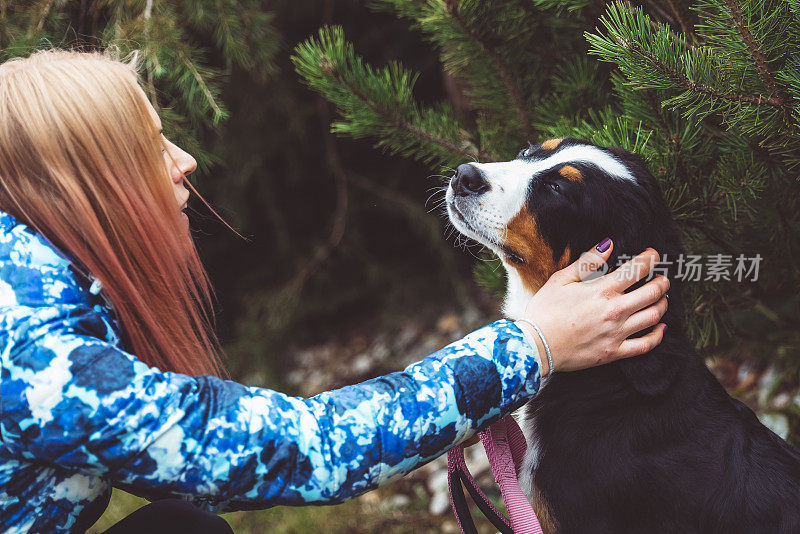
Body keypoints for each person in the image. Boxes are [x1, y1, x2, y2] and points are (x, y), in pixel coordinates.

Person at [0, 50, 669, 534]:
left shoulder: (34, 287)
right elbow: (301, 451)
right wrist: (531, 346)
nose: (185, 162)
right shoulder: (30, 352)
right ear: (75, 184)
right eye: (147, 147)